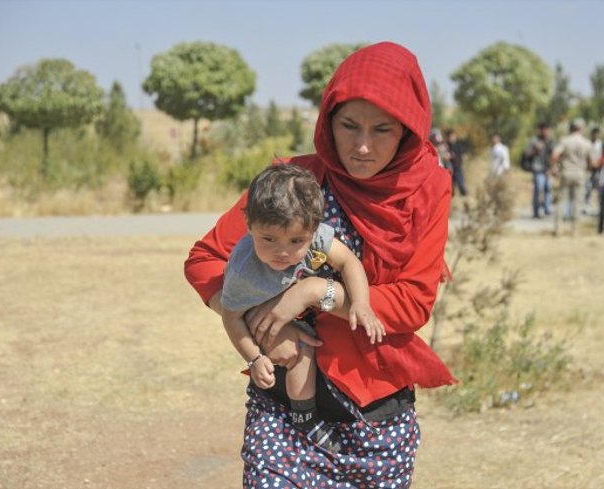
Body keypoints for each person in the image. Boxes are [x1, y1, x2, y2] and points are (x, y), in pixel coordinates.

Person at [184, 42, 455, 487]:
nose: (362, 146)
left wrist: (313, 293)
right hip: (282, 406)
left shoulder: (427, 191)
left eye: (382, 130)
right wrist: (254, 316)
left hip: (376, 419)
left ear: (408, 130)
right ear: (327, 119)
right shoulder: (292, 181)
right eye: (348, 125)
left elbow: (412, 303)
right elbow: (205, 260)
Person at [219, 164, 386, 453]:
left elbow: (348, 262)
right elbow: (231, 316)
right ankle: (305, 418)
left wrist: (361, 302)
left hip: (308, 311)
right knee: (300, 349)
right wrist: (254, 357)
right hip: (263, 322)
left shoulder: (317, 236)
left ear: (313, 228)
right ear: (249, 226)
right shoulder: (243, 270)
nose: (282, 252)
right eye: (268, 239)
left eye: (296, 241)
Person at [550, 118, 594, 236]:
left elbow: (555, 154)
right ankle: (575, 229)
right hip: (580, 173)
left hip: (566, 172)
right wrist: (588, 170)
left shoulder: (565, 141)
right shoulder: (586, 143)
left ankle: (558, 228)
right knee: (577, 202)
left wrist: (554, 167)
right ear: (582, 128)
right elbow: (592, 161)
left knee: (561, 201)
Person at [523, 122, 553, 218]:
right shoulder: (534, 140)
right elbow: (526, 154)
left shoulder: (549, 141)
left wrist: (553, 167)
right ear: (541, 130)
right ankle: (536, 212)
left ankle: (547, 209)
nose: (547, 132)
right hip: (538, 169)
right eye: (546, 130)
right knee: (538, 189)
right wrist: (535, 150)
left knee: (548, 189)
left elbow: (552, 156)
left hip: (547, 169)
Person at [584, 127, 603, 214]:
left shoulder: (601, 144)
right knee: (588, 187)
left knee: (599, 187)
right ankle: (587, 204)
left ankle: (600, 205)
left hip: (598, 169)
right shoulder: (587, 144)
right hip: (589, 169)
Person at [446, 128, 468, 197]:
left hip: (458, 168)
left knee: (462, 185)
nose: (452, 138)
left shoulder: (458, 145)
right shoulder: (446, 146)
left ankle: (465, 199)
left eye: (453, 136)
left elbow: (463, 155)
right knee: (451, 188)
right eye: (450, 136)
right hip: (449, 169)